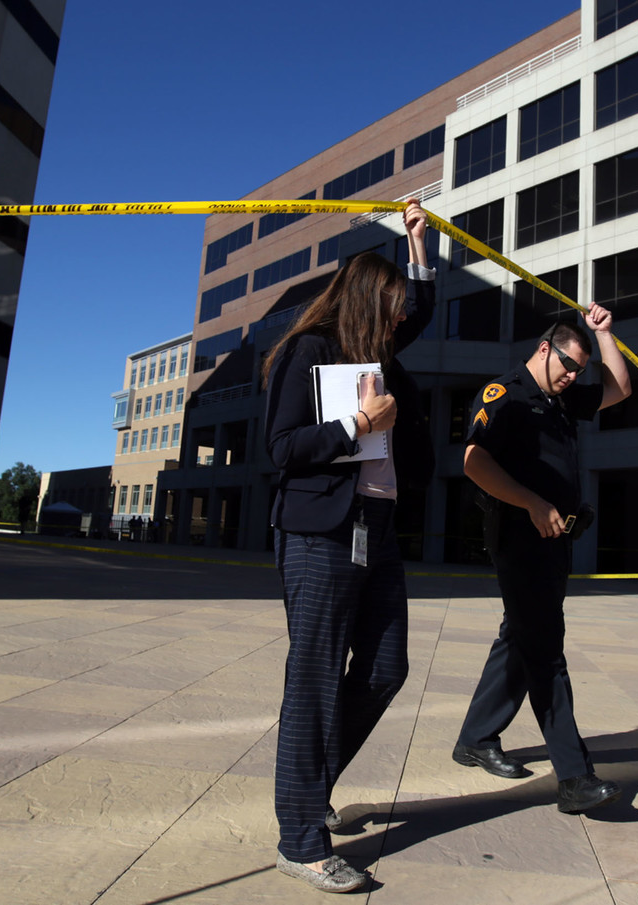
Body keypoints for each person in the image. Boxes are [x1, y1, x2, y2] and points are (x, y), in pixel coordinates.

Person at [262, 200, 434, 893]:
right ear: (366, 303)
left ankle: (310, 782)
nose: (401, 320)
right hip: (319, 532)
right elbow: (282, 449)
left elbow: (419, 307)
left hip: (377, 528)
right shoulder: (311, 350)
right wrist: (358, 422)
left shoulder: (381, 350)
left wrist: (417, 244)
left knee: (386, 665)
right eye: (390, 308)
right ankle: (301, 837)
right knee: (316, 678)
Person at [452, 304, 632, 814]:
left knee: (522, 635)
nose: (572, 376)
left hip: (557, 540)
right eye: (567, 365)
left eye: (579, 369)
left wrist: (602, 336)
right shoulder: (504, 395)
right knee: (546, 650)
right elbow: (473, 461)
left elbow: (620, 389)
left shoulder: (562, 398)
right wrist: (531, 501)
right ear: (543, 348)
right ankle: (574, 776)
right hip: (518, 535)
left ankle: (475, 738)